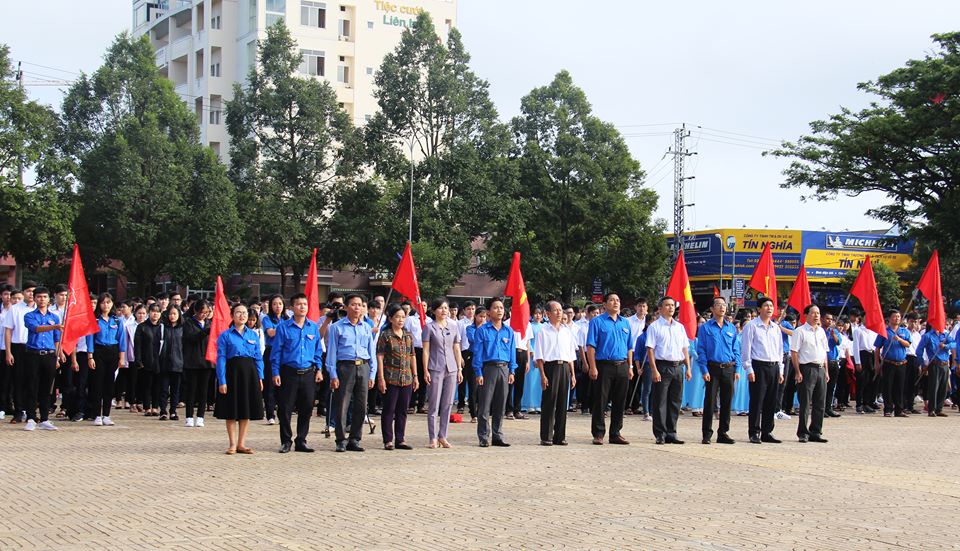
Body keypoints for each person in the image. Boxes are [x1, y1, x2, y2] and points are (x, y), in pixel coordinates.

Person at [271, 293, 324, 454]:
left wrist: (319, 369)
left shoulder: (313, 327)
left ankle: (301, 440)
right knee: (285, 408)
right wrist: (275, 372)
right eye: (299, 304)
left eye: (305, 304)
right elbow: (276, 351)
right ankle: (286, 441)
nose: (302, 307)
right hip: (288, 373)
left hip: (308, 373)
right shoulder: (283, 327)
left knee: (307, 407)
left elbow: (317, 351)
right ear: (293, 307)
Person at [326, 293, 376, 452]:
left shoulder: (367, 327)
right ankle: (341, 439)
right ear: (346, 307)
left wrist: (372, 373)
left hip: (363, 366)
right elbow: (331, 352)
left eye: (360, 305)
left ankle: (355, 439)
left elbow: (371, 352)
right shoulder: (336, 327)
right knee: (342, 404)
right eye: (353, 304)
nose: (357, 308)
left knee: (361, 405)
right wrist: (332, 374)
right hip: (344, 367)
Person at [214, 303, 265, 454]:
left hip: (249, 374)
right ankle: (232, 444)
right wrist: (222, 380)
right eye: (238, 313)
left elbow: (258, 358)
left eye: (244, 313)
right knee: (231, 408)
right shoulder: (225, 335)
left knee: (245, 408)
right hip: (232, 373)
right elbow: (221, 359)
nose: (242, 316)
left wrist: (260, 377)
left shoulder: (253, 335)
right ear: (232, 315)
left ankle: (242, 444)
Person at [586, 293, 633, 445]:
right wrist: (592, 367)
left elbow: (629, 347)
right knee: (601, 400)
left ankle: (615, 433)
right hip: (604, 366)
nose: (616, 303)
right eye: (612, 300)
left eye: (618, 300)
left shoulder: (625, 323)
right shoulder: (597, 322)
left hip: (623, 365)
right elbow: (591, 346)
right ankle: (598, 433)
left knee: (620, 401)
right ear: (604, 304)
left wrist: (630, 366)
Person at [645, 296, 692, 445]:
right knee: (660, 401)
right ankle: (660, 433)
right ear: (660, 309)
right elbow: (650, 349)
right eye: (667, 305)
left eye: (672, 305)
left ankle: (672, 432)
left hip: (678, 367)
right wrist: (654, 370)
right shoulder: (654, 327)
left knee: (675, 401)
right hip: (662, 366)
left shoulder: (680, 327)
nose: (671, 308)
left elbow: (685, 348)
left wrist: (688, 368)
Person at [471, 297, 517, 447]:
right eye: (496, 307)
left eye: (501, 308)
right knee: (484, 405)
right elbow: (477, 353)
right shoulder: (482, 330)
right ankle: (484, 436)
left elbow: (512, 353)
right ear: (489, 312)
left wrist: (512, 371)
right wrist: (478, 372)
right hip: (488, 369)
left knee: (500, 404)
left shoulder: (509, 331)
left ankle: (498, 436)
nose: (499, 310)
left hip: (504, 369)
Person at [696, 297, 740, 444]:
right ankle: (707, 434)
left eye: (724, 305)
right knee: (710, 402)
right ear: (712, 309)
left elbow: (736, 350)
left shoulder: (731, 328)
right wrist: (704, 369)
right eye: (718, 305)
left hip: (728, 368)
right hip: (712, 368)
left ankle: (723, 433)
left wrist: (737, 369)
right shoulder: (705, 328)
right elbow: (700, 349)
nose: (722, 307)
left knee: (727, 402)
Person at [741, 297, 785, 444]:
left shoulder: (776, 328)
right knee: (757, 401)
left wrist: (781, 369)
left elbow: (779, 351)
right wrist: (749, 369)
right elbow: (746, 349)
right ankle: (754, 432)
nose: (769, 308)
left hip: (773, 367)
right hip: (758, 366)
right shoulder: (751, 326)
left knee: (771, 401)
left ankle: (767, 432)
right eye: (766, 306)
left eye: (771, 306)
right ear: (759, 309)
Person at [534, 300, 577, 446]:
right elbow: (539, 356)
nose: (559, 313)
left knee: (562, 403)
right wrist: (543, 375)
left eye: (560, 310)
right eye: (555, 310)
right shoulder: (543, 331)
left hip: (564, 367)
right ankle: (546, 436)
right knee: (549, 403)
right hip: (550, 367)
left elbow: (571, 355)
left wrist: (573, 375)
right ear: (547, 313)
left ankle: (560, 436)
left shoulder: (567, 331)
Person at [422, 298, 463, 449]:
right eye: (440, 308)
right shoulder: (429, 328)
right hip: (435, 368)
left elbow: (456, 348)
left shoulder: (454, 326)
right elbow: (426, 350)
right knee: (433, 404)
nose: (444, 311)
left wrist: (459, 368)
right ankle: (432, 437)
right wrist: (425, 369)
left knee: (447, 404)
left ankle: (443, 436)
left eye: (446, 308)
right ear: (433, 311)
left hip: (451, 369)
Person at [376, 304, 419, 450]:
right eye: (397, 317)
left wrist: (415, 376)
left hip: (406, 378)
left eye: (403, 317)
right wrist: (380, 378)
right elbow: (380, 356)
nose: (400, 320)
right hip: (390, 377)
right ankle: (388, 439)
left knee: (402, 410)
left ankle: (400, 439)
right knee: (389, 409)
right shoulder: (386, 335)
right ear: (390, 318)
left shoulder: (408, 335)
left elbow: (412, 356)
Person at [21, 287, 62, 431]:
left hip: (49, 355)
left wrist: (57, 356)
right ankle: (31, 418)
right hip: (33, 354)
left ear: (49, 299)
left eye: (44, 297)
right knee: (32, 386)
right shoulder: (29, 315)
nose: (42, 299)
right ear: (35, 298)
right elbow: (36, 329)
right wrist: (55, 326)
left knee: (47, 388)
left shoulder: (54, 317)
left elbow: (57, 339)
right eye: (39, 297)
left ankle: (44, 418)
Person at [86, 293, 127, 427]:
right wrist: (90, 356)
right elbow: (90, 339)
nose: (106, 305)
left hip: (113, 352)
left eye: (108, 302)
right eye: (103, 302)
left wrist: (122, 358)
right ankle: (97, 414)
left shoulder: (117, 320)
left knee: (109, 384)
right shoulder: (94, 320)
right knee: (98, 384)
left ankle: (107, 415)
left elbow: (122, 340)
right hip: (98, 351)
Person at [790, 304, 829, 443]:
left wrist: (826, 371)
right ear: (806, 315)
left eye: (818, 313)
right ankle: (803, 432)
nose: (817, 316)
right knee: (805, 403)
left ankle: (816, 431)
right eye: (813, 313)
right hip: (806, 369)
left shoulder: (821, 332)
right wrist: (797, 371)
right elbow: (794, 352)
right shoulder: (800, 331)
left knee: (820, 403)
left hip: (820, 369)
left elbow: (824, 352)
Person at [4, 282, 36, 424]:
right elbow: (8, 331)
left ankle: (32, 413)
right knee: (18, 380)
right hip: (19, 348)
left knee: (33, 381)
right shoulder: (15, 309)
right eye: (28, 291)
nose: (31, 294)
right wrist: (8, 352)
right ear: (23, 292)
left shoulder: (41, 310)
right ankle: (18, 412)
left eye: (33, 291)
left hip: (35, 349)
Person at [874, 309, 912, 418]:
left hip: (901, 363)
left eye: (899, 317)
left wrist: (899, 339)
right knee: (888, 387)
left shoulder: (904, 331)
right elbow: (877, 348)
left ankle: (899, 409)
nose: (897, 319)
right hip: (888, 363)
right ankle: (888, 409)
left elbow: (908, 344)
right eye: (895, 317)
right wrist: (877, 363)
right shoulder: (884, 332)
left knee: (900, 387)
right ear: (889, 318)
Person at [182, 300, 213, 428]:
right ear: (195, 311)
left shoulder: (209, 323)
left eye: (206, 313)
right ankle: (189, 416)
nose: (204, 315)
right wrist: (205, 332)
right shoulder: (188, 323)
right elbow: (191, 338)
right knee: (191, 390)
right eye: (202, 312)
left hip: (206, 362)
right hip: (192, 361)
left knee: (203, 391)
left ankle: (200, 416)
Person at [260, 295, 287, 426]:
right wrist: (285, 329)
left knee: (284, 384)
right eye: (275, 304)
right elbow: (270, 333)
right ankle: (270, 414)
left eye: (280, 304)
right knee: (270, 384)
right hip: (271, 351)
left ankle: (282, 412)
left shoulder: (287, 319)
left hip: (285, 353)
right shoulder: (267, 319)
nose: (278, 306)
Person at [918, 323, 955, 416]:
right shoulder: (927, 336)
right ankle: (931, 409)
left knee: (943, 387)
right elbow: (919, 350)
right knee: (934, 387)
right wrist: (922, 363)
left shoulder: (945, 335)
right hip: (934, 364)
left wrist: (945, 346)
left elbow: (954, 343)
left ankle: (939, 408)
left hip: (945, 364)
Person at [135, 303, 164, 417]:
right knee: (146, 385)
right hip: (146, 359)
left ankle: (155, 407)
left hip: (159, 360)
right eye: (153, 311)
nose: (155, 313)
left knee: (157, 385)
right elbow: (137, 345)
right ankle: (147, 407)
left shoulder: (162, 327)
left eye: (157, 311)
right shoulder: (142, 327)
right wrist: (138, 359)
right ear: (149, 313)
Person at [158, 306, 184, 421]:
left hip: (178, 363)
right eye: (170, 314)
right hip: (164, 362)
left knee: (175, 389)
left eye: (174, 314)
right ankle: (163, 411)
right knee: (163, 388)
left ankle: (173, 411)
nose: (172, 316)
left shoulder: (183, 329)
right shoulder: (163, 328)